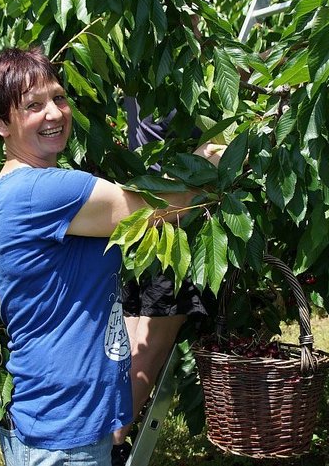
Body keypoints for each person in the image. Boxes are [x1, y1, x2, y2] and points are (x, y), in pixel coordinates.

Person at [0, 46, 224, 466]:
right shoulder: (46, 190)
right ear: (1, 122)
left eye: (58, 97)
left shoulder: (22, 187)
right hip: (63, 441)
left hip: (61, 426)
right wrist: (215, 158)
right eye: (33, 106)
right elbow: (160, 207)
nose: (54, 114)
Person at [110, 98, 208, 455]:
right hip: (174, 224)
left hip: (141, 222)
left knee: (129, 347)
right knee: (148, 351)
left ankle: (109, 438)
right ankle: (113, 447)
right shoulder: (190, 85)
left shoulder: (145, 77)